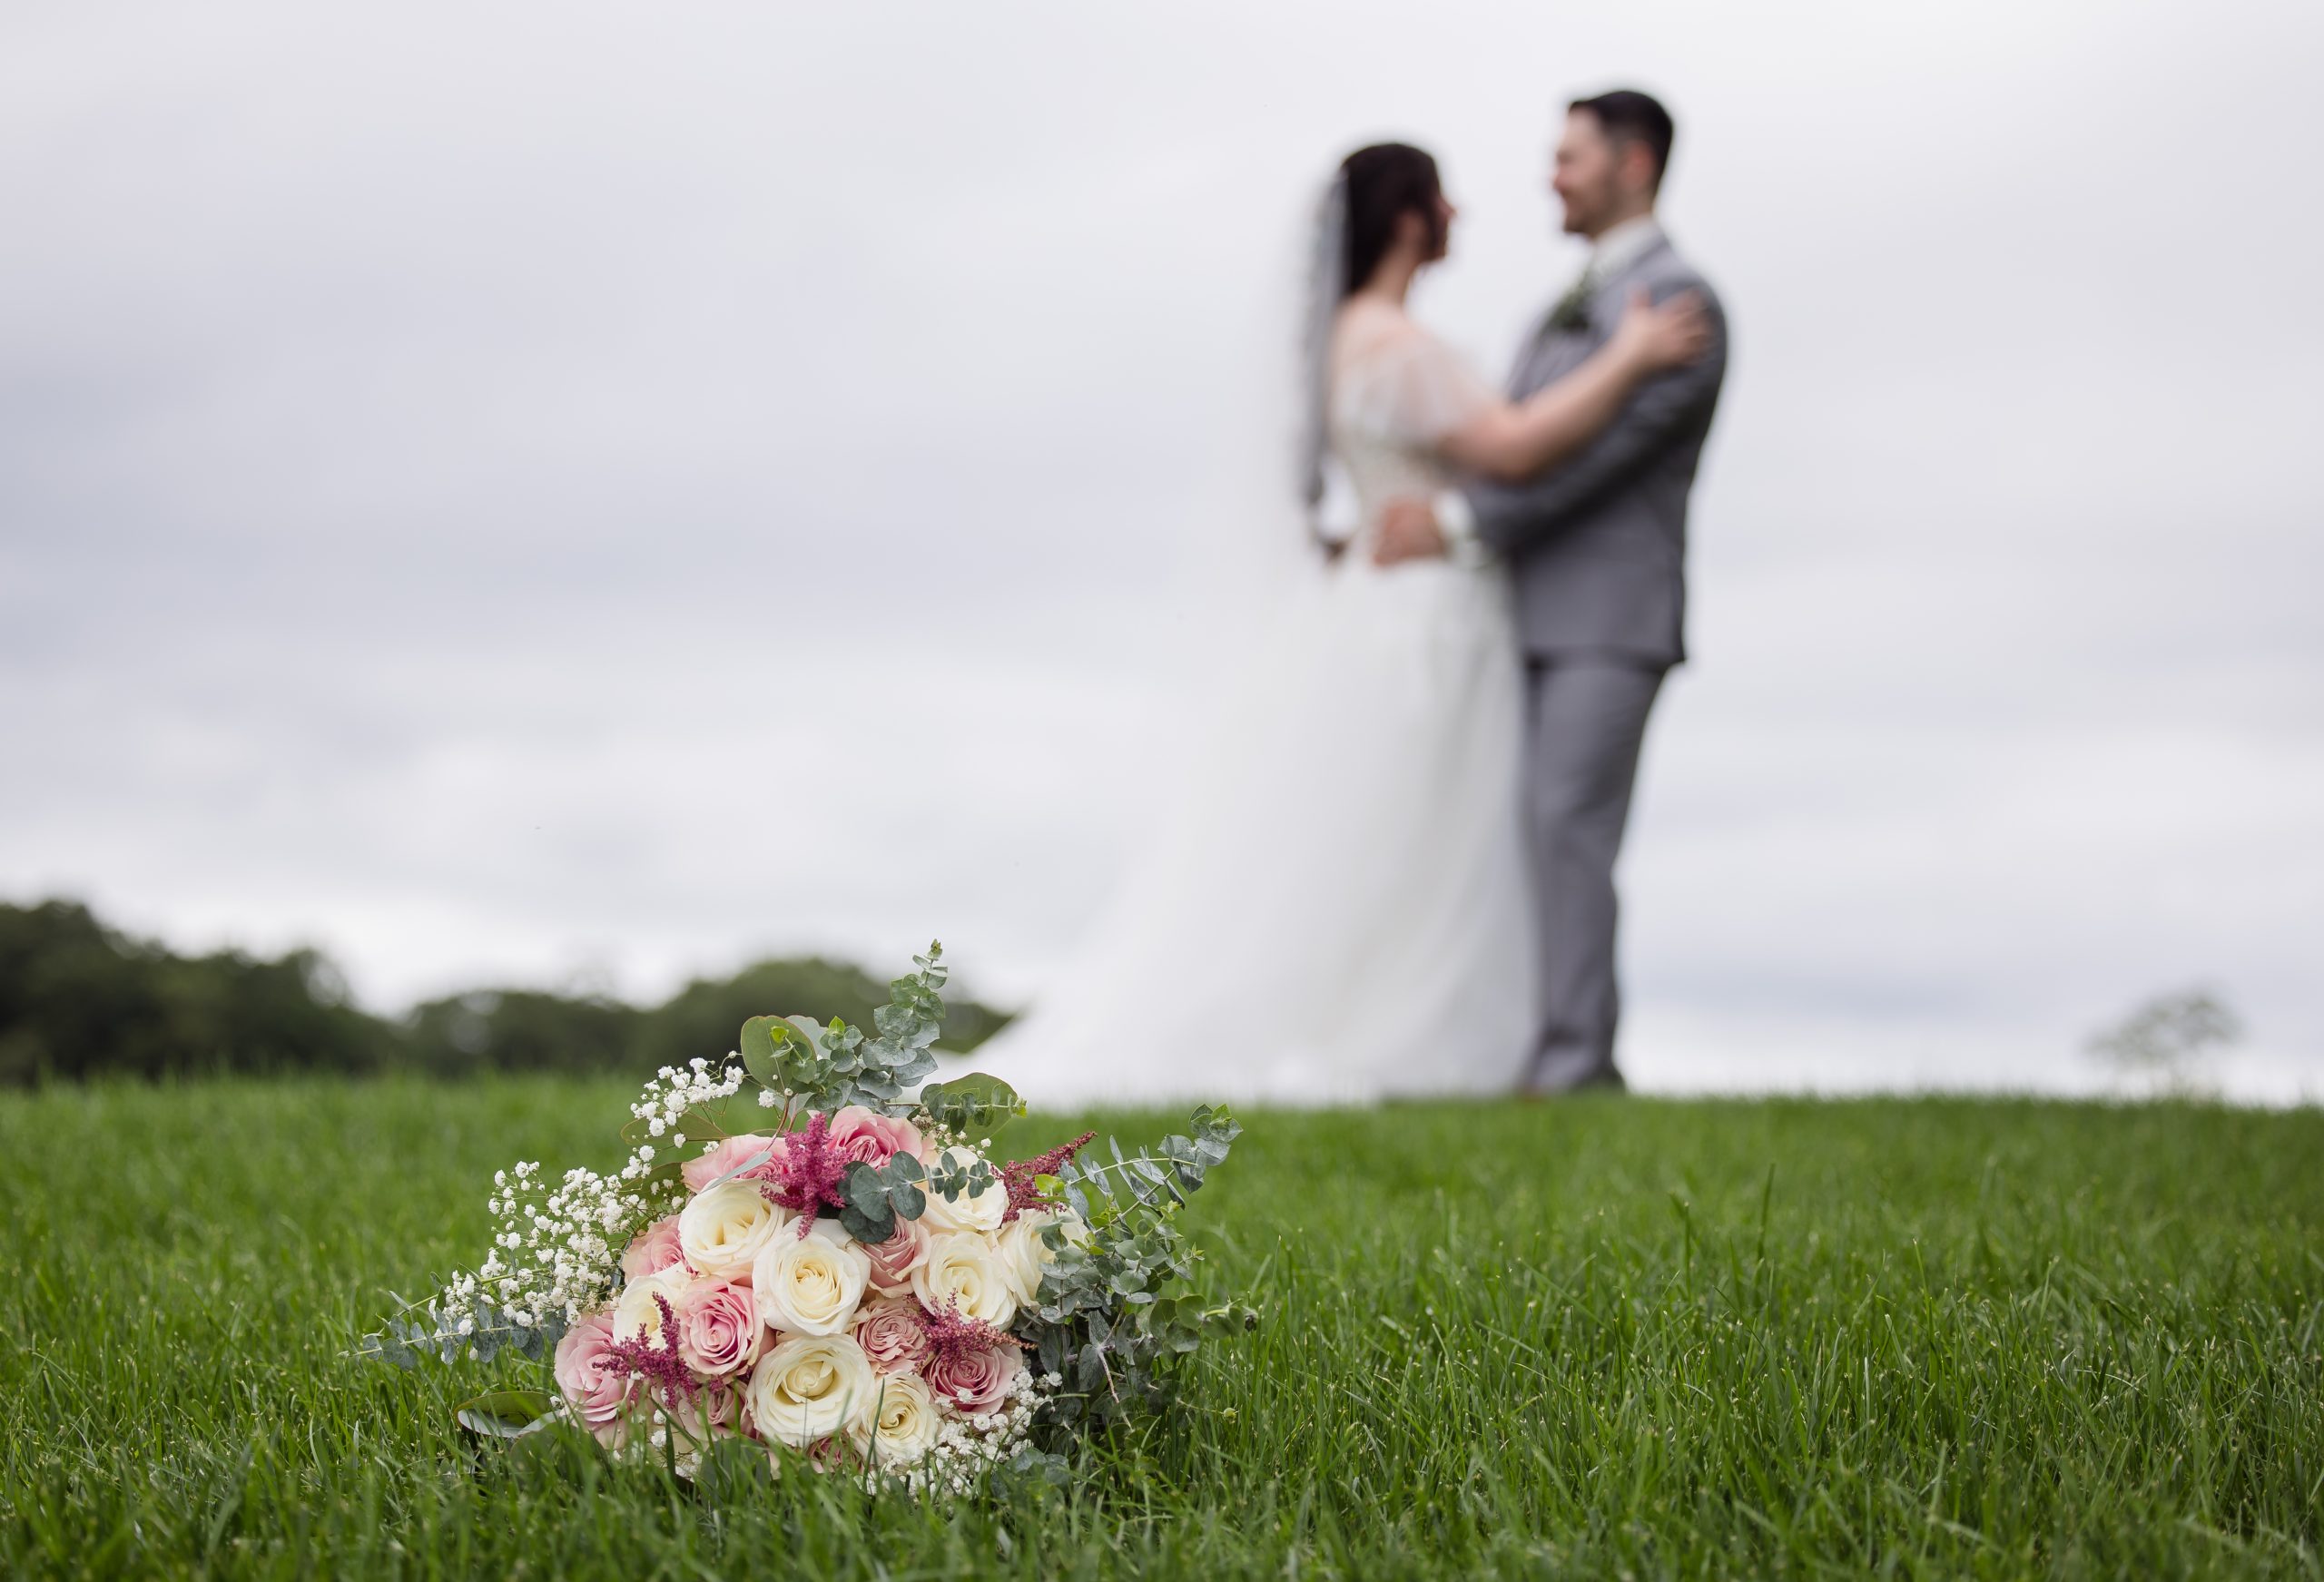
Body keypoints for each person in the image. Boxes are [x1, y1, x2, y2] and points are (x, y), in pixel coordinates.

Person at [969, 140, 1707, 1105]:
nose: (1459, 215)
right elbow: (1514, 447)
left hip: (1384, 601)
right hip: (1425, 611)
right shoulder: (1393, 343)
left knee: (1398, 828)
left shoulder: (1340, 341)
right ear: (1406, 219)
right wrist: (1629, 358)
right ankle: (1407, 1029)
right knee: (1423, 834)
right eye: (1442, 199)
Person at [1374, 91, 1729, 1094]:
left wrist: (1455, 525)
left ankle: (1575, 1065)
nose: (1552, 177)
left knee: (1568, 828)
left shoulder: (1683, 306)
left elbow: (1593, 463)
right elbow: (1509, 437)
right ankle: (1514, 1049)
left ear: (1634, 164)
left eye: (1570, 158)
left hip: (1607, 620)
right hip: (1513, 614)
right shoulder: (1558, 307)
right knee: (1511, 834)